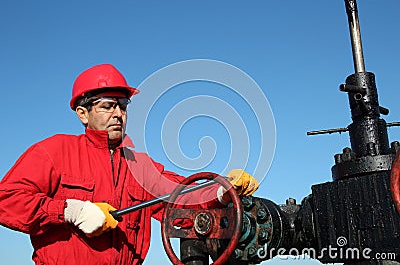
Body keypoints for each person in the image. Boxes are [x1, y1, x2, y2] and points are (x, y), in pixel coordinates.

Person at [0, 64, 259, 265]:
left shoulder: (140, 166)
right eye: (107, 106)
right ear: (82, 113)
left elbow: (181, 198)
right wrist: (69, 210)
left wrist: (220, 191)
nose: (118, 114)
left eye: (123, 106)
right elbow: (6, 200)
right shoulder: (55, 151)